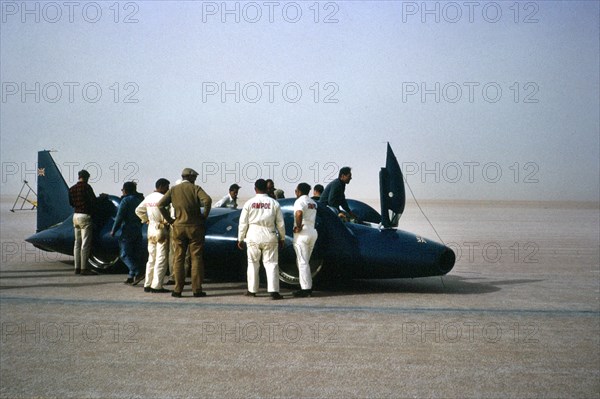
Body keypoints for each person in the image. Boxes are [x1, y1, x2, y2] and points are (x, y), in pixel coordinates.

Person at [158, 168, 212, 298]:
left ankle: (177, 290)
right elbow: (207, 200)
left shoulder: (174, 189)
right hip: (195, 227)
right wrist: (204, 216)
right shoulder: (196, 188)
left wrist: (171, 220)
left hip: (178, 227)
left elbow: (160, 205)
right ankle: (197, 289)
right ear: (192, 177)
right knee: (196, 258)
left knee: (178, 258)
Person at [237, 179, 285, 300]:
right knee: (271, 263)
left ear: (255, 189)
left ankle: (252, 290)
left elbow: (243, 223)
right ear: (267, 188)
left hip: (253, 235)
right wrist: (282, 238)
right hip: (270, 234)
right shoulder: (274, 203)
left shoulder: (249, 203)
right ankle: (274, 291)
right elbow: (280, 223)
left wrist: (240, 238)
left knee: (253, 263)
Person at [135, 178, 171, 293]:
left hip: (151, 228)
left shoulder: (149, 197)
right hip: (161, 228)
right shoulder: (163, 198)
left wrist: (145, 220)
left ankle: (147, 283)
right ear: (161, 186)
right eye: (167, 187)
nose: (168, 189)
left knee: (151, 258)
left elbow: (138, 210)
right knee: (161, 258)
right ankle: (157, 285)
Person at [68, 169, 102, 275]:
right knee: (85, 243)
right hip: (85, 216)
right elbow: (94, 202)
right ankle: (84, 268)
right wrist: (102, 198)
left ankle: (76, 267)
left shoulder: (72, 189)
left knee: (77, 243)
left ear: (79, 176)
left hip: (75, 216)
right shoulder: (87, 187)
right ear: (87, 177)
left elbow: (71, 203)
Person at [111, 182, 145, 285]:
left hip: (128, 230)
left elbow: (119, 217)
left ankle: (138, 271)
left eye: (122, 189)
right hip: (138, 229)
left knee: (124, 254)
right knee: (134, 253)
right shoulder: (140, 200)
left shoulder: (125, 201)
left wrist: (114, 230)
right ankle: (131, 276)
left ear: (126, 190)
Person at [292, 183, 318, 298]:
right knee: (305, 261)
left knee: (302, 261)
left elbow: (298, 213)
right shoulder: (313, 203)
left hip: (303, 232)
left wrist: (298, 226)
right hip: (312, 231)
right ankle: (305, 285)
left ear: (298, 191)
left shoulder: (299, 201)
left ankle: (306, 289)